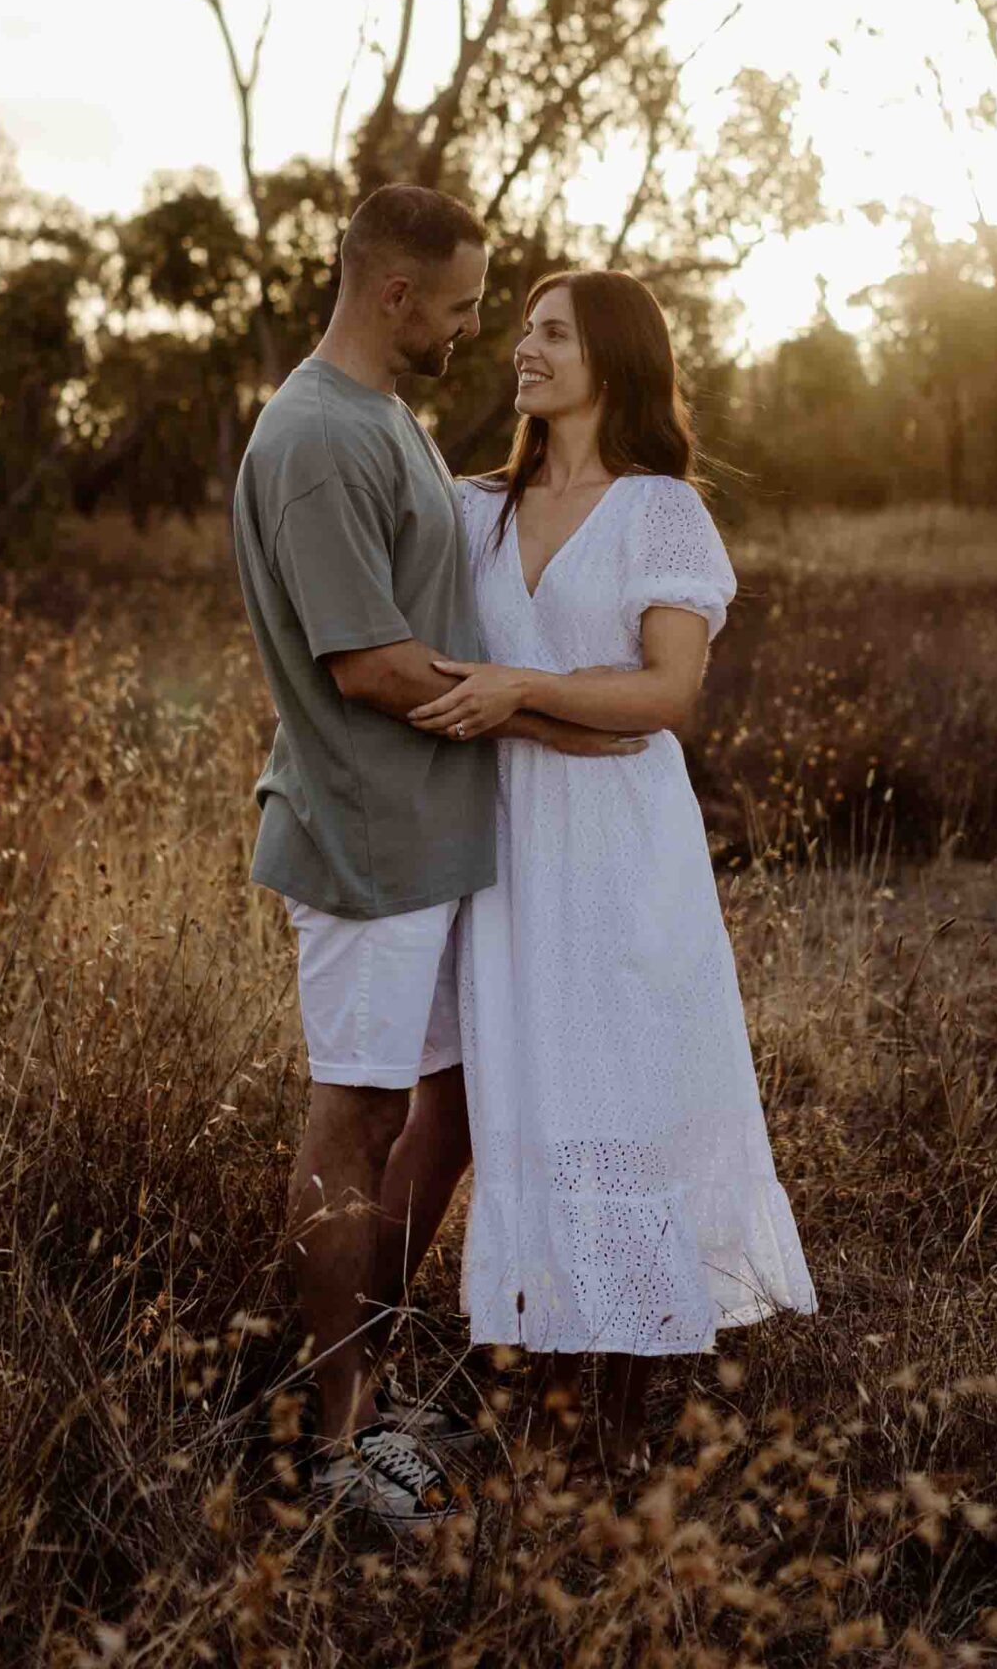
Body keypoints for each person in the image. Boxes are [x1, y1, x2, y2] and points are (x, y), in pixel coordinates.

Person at [231, 188, 645, 1527]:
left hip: (434, 835)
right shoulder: (310, 440)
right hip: (361, 839)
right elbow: (368, 665)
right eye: (465, 305)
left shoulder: (386, 422)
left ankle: (371, 1381)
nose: (478, 330)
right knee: (352, 1123)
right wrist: (546, 713)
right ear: (397, 295)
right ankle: (334, 1441)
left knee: (449, 1112)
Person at [408, 269, 816, 1470]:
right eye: (522, 330)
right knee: (522, 1098)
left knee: (618, 1107)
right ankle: (535, 1400)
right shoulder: (473, 505)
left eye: (549, 333)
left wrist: (525, 693)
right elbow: (438, 665)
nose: (520, 349)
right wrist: (541, 722)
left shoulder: (659, 512)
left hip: (621, 847)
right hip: (503, 841)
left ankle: (623, 1425)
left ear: (611, 360)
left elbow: (665, 696)